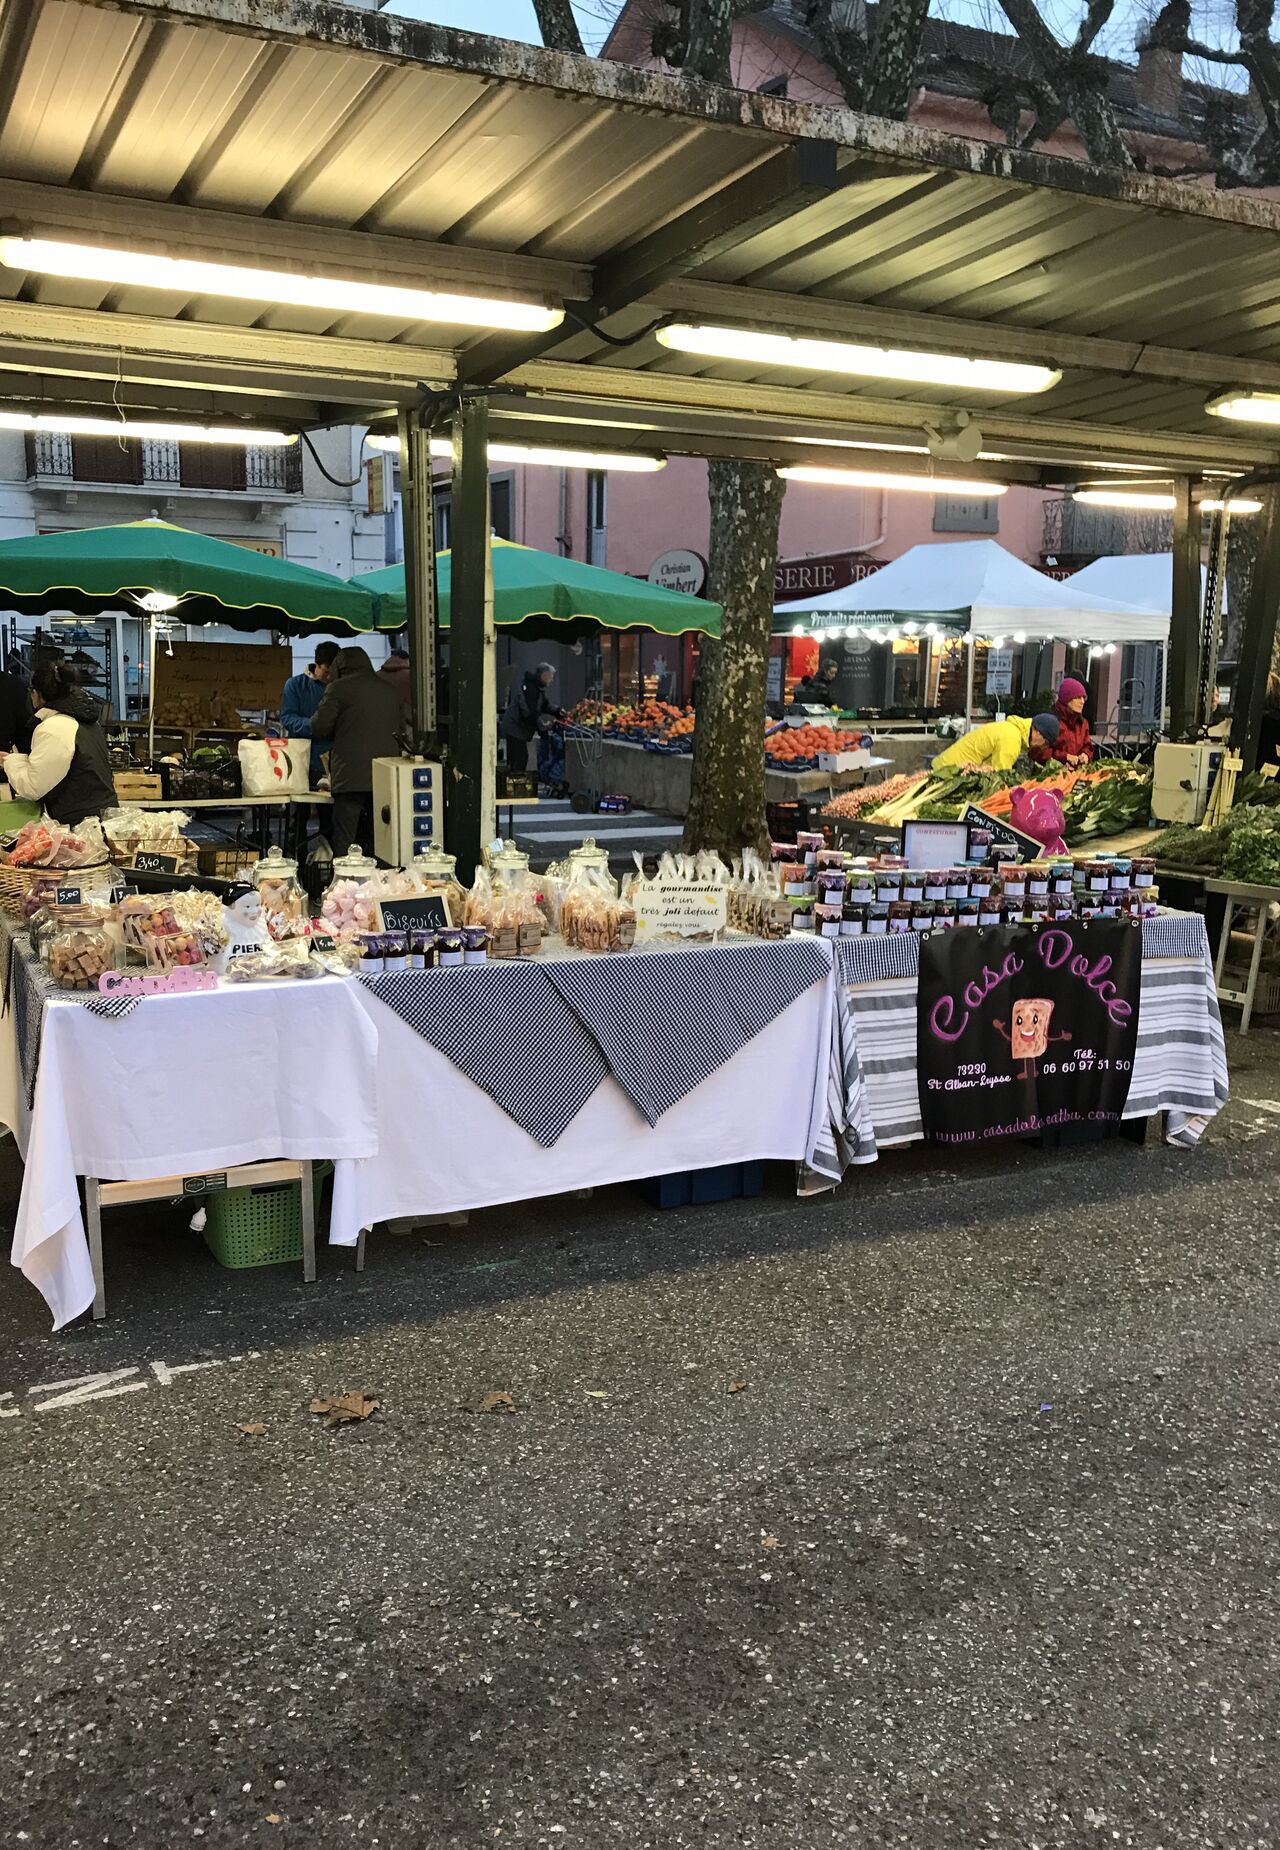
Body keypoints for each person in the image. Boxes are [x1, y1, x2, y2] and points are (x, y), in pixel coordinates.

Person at [310, 646, 405, 856]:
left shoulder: (338, 688)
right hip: (385, 776)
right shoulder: (389, 690)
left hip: (350, 776)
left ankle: (345, 884)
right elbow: (401, 731)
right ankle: (381, 884)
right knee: (380, 838)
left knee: (345, 839)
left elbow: (319, 727)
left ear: (339, 667)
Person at [2, 660, 116, 824]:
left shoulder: (54, 727)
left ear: (36, 694)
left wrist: (9, 761)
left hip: (82, 826)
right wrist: (16, 759)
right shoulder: (84, 720)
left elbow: (33, 787)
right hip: (98, 819)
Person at [281, 641, 340, 785]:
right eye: (326, 672)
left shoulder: (341, 687)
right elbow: (287, 718)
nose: (329, 677)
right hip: (301, 759)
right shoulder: (295, 685)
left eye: (333, 672)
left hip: (333, 762)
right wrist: (313, 725)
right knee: (299, 805)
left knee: (328, 807)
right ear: (317, 665)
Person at [933, 710, 1059, 773]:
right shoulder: (1012, 740)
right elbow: (1000, 775)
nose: (1043, 747)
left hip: (947, 767)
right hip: (949, 771)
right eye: (1046, 742)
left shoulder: (1012, 730)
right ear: (1037, 732)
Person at [500, 662, 565, 773]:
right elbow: (529, 711)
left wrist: (557, 711)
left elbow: (544, 705)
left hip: (517, 727)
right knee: (519, 760)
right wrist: (541, 725)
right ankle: (515, 788)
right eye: (550, 677)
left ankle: (513, 786)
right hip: (515, 727)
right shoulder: (530, 688)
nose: (551, 680)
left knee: (517, 760)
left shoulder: (536, 688)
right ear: (544, 675)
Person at [1031, 676, 1094, 768]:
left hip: (1077, 775)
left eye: (1084, 698)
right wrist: (1065, 757)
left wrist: (1086, 755)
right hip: (1051, 776)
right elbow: (1039, 751)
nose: (1082, 701)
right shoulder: (1050, 721)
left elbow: (1088, 746)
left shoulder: (1083, 723)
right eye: (1078, 697)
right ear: (1067, 699)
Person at [378, 648, 412, 725]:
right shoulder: (411, 677)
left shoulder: (376, 676)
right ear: (407, 660)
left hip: (381, 721)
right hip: (406, 723)